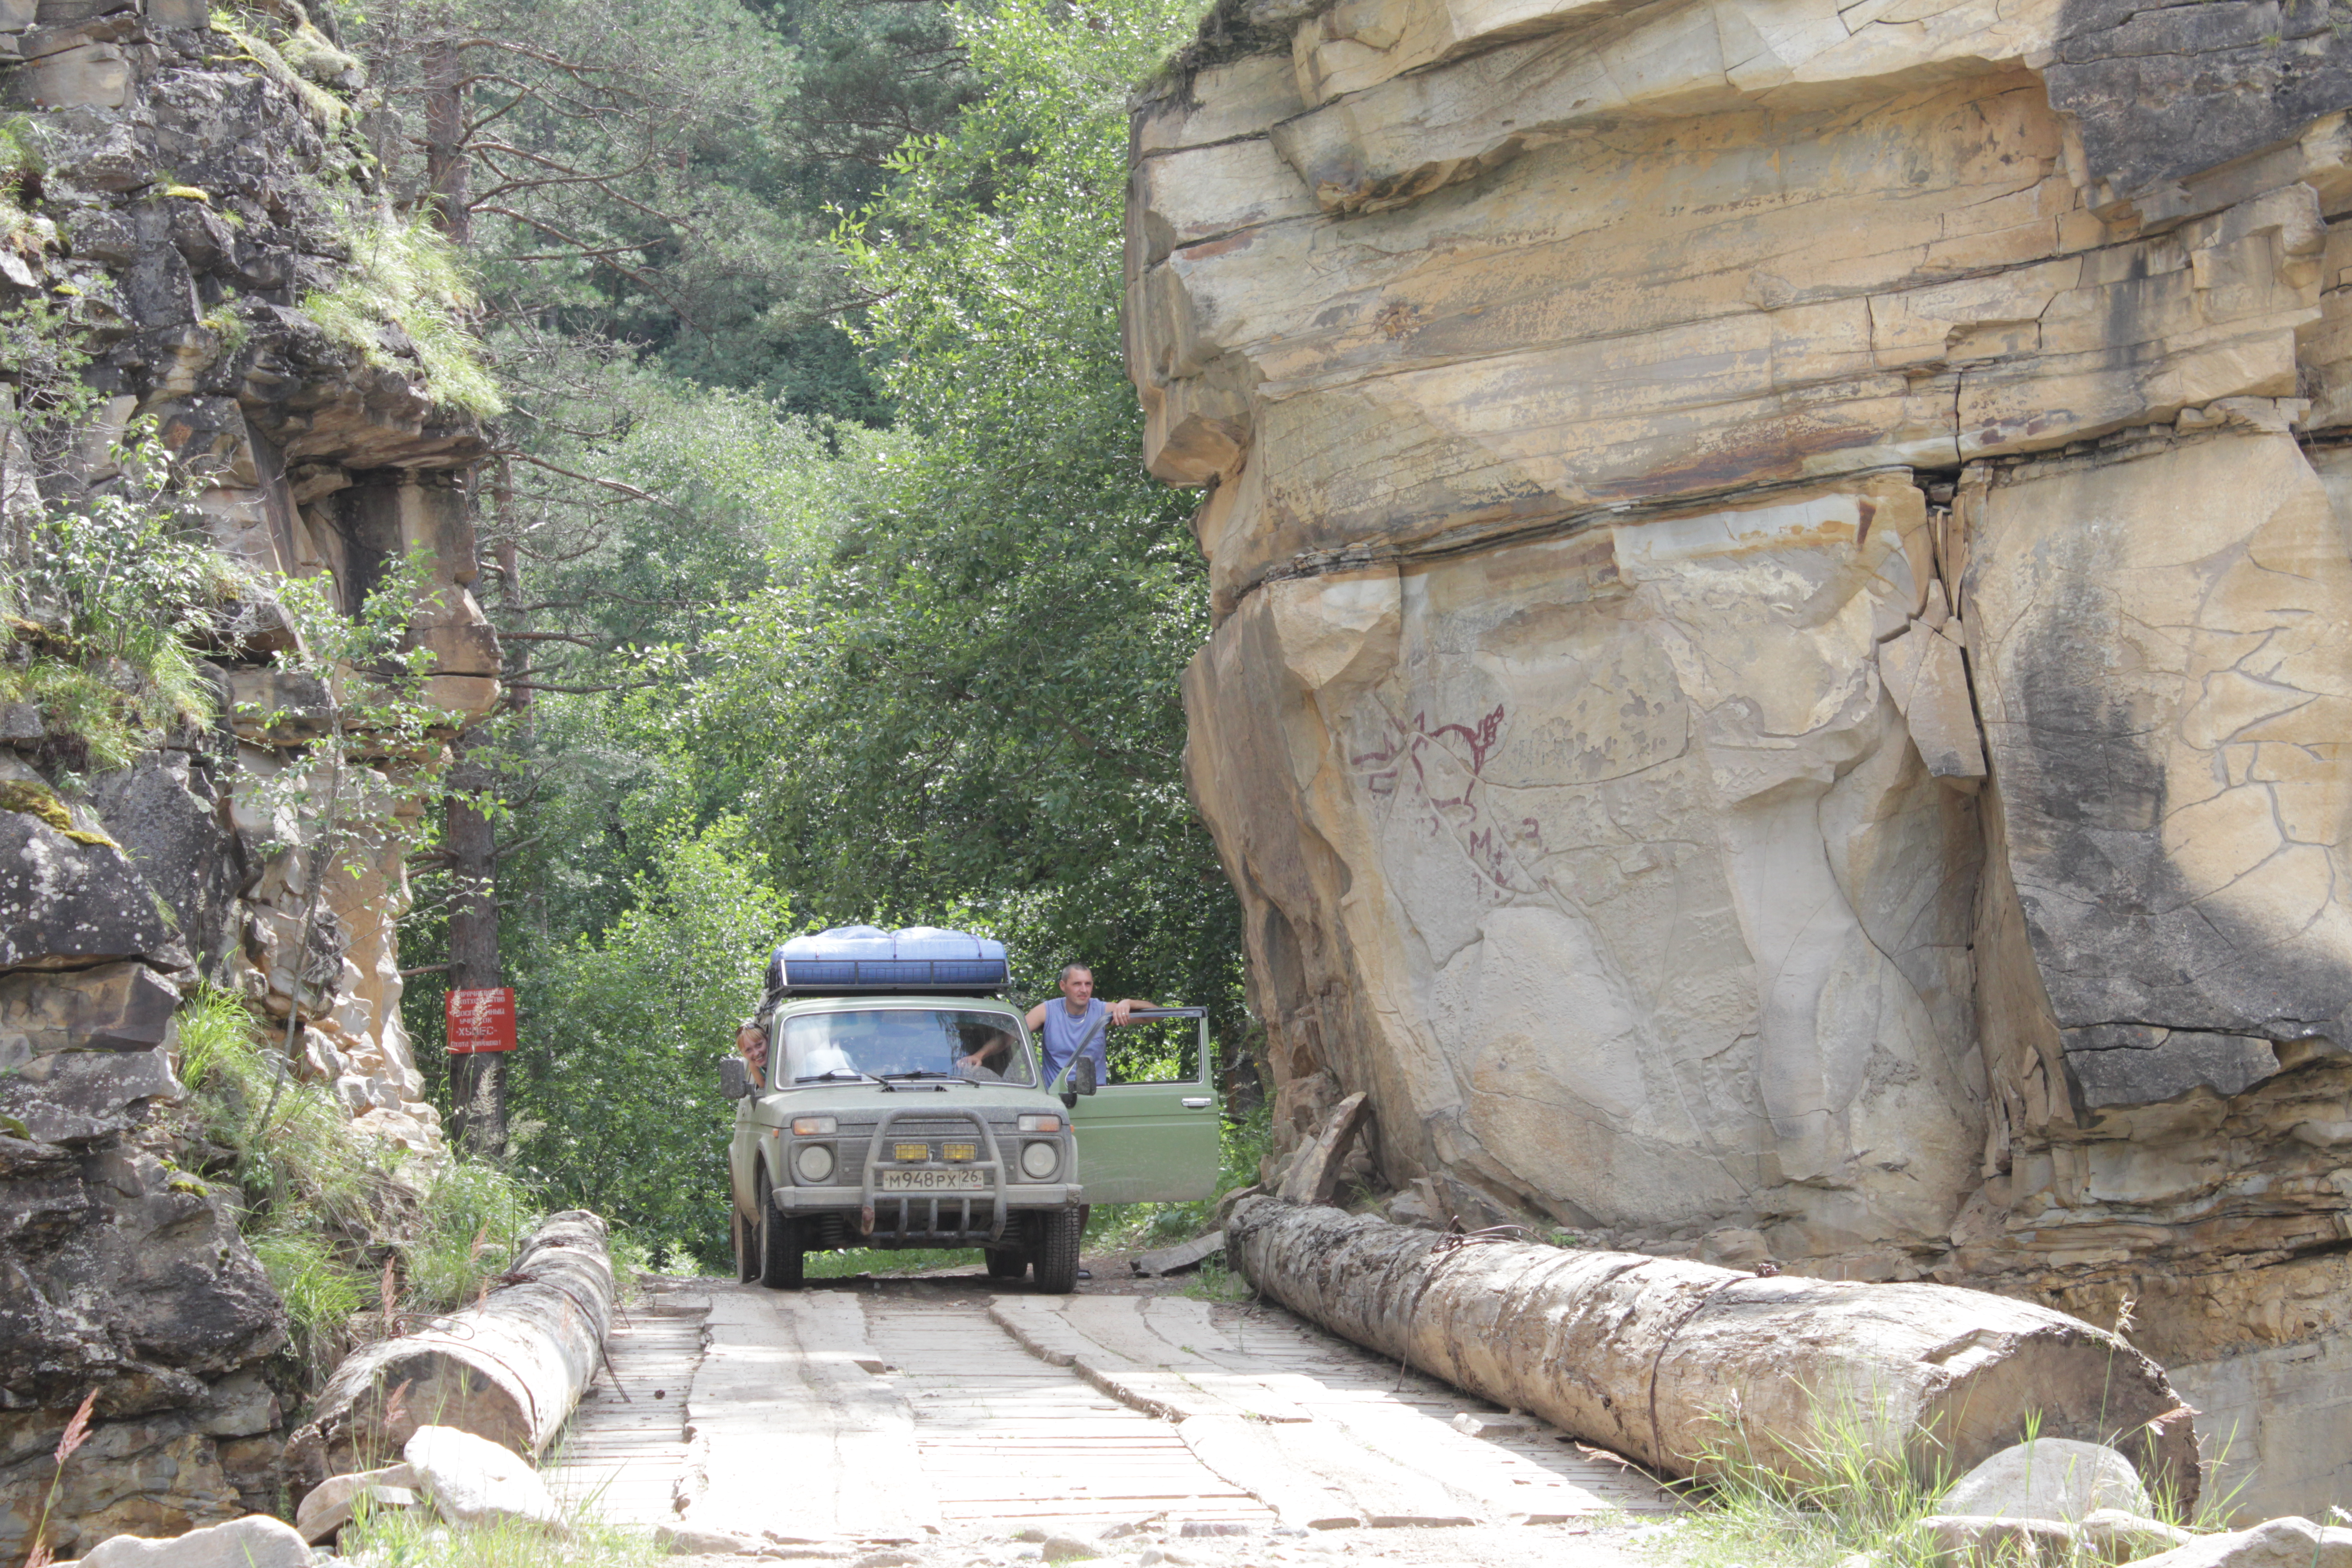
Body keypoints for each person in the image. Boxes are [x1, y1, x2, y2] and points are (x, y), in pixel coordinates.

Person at [1025, 963, 1154, 1091]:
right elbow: (1013, 1034)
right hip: (1056, 1097)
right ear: (1063, 986)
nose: (1084, 990)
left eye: (1088, 984)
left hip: (1095, 1097)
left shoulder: (1102, 1010)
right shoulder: (1047, 1011)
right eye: (1077, 984)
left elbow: (1156, 1016)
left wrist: (1129, 1003)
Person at [736, 1018, 768, 1088]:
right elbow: (766, 1091)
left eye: (759, 1045)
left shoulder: (784, 1055)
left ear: (767, 1040)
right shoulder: (754, 1066)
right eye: (748, 1050)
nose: (756, 1053)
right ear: (743, 1054)